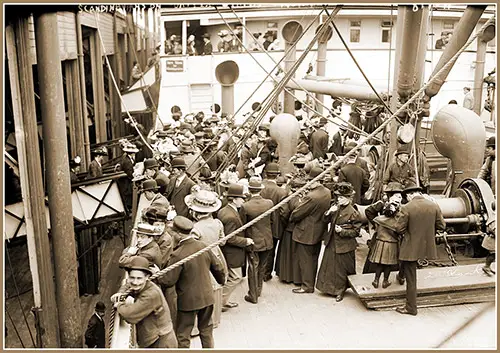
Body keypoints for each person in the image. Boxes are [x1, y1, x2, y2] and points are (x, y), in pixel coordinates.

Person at [158, 216, 226, 348]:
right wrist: (221, 281)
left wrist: (157, 274)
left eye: (173, 233)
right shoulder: (202, 246)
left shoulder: (178, 254)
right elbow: (218, 267)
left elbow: (169, 281)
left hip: (188, 302)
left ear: (178, 234)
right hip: (207, 298)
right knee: (206, 332)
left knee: (183, 335)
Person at [396, 183, 445, 316]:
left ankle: (411, 308)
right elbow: (441, 226)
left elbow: (399, 229)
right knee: (406, 265)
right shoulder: (434, 206)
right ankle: (400, 276)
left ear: (410, 195)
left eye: (406, 196)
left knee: (411, 278)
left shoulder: (406, 208)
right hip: (426, 245)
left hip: (410, 246)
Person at [111, 256, 177, 348]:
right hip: (154, 339)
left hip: (161, 342)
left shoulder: (151, 294)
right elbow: (127, 285)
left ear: (147, 277)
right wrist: (121, 294)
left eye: (139, 278)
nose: (135, 282)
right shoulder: (143, 285)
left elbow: (130, 315)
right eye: (132, 277)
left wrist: (119, 305)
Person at [316, 182, 362, 302]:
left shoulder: (353, 212)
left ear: (348, 199)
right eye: (338, 197)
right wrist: (329, 211)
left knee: (341, 269)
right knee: (330, 266)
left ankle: (340, 291)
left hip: (344, 245)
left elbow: (356, 232)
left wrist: (342, 231)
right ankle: (328, 288)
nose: (339, 199)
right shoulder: (335, 207)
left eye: (342, 198)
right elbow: (324, 220)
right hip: (332, 241)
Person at [290, 167, 331, 294]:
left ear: (317, 181)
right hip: (318, 231)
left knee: (305, 261)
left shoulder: (311, 196)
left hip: (306, 232)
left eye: (311, 180)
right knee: (313, 258)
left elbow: (296, 214)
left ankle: (306, 286)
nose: (309, 183)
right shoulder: (327, 192)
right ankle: (310, 283)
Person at [217, 183, 253, 310]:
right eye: (241, 198)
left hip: (227, 251)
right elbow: (230, 237)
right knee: (236, 277)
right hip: (232, 252)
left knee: (230, 277)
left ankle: (223, 300)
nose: (243, 201)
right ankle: (220, 301)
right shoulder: (231, 216)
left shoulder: (224, 210)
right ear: (234, 199)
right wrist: (245, 241)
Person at [239, 177, 274, 304]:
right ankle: (258, 290)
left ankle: (253, 295)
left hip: (253, 241)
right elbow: (272, 221)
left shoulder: (245, 206)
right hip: (267, 240)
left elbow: (242, 225)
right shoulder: (269, 203)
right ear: (260, 190)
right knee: (262, 267)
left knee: (253, 267)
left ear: (249, 189)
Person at [368, 188, 408, 289]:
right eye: (398, 196)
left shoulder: (380, 219)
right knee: (388, 264)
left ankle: (376, 280)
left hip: (380, 241)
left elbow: (376, 221)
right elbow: (399, 229)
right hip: (391, 243)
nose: (400, 199)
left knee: (379, 264)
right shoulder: (395, 219)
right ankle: (385, 281)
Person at [260, 163, 288, 281]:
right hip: (275, 226)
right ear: (277, 176)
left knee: (258, 248)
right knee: (271, 250)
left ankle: (258, 272)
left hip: (259, 224)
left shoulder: (259, 188)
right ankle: (266, 274)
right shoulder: (281, 192)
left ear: (266, 174)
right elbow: (284, 212)